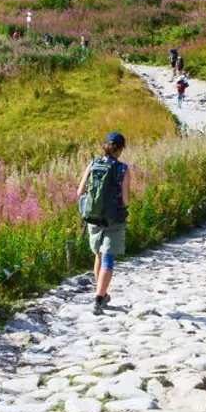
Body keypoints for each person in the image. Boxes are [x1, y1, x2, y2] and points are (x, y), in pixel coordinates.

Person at [77, 132, 131, 314]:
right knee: (108, 257)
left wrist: (88, 209)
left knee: (99, 255)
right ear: (121, 148)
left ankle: (101, 292)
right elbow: (126, 200)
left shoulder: (93, 164)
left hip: (93, 218)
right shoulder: (123, 169)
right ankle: (99, 299)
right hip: (114, 219)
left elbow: (79, 192)